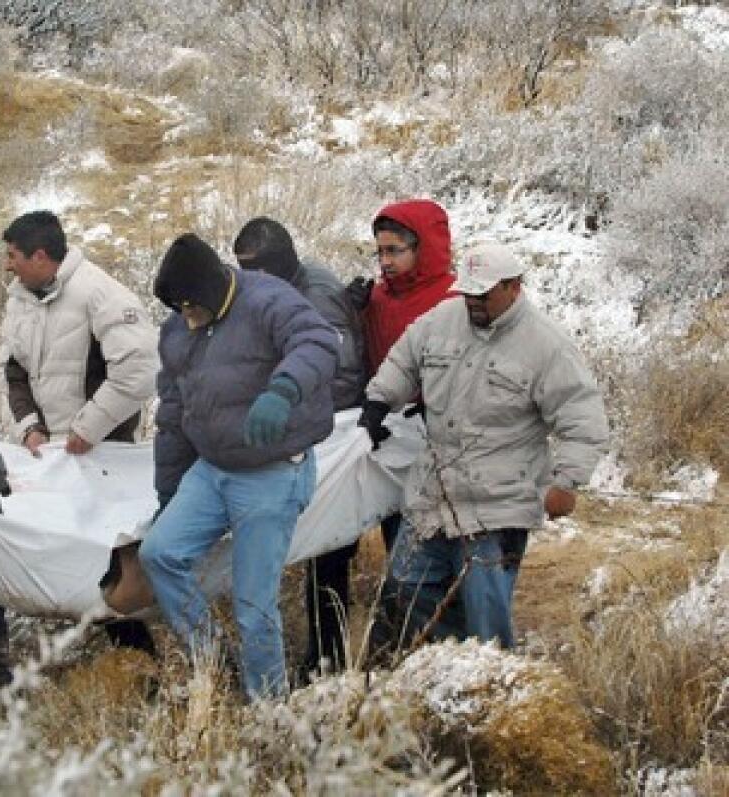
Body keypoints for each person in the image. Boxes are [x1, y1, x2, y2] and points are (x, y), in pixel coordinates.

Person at [360, 242, 610, 660]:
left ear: (513, 288)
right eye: (468, 293)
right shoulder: (441, 320)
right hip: (431, 496)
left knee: (486, 618)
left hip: (499, 505)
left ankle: (493, 697)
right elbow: (403, 362)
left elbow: (582, 419)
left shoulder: (547, 346)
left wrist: (567, 482)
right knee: (407, 590)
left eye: (483, 294)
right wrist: (379, 401)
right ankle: (439, 679)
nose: (473, 302)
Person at [140, 233, 339, 700]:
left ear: (210, 293)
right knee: (159, 553)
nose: (185, 320)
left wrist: (284, 389)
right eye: (178, 310)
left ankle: (269, 712)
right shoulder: (177, 328)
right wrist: (168, 493)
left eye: (191, 308)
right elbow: (173, 412)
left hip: (272, 472)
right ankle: (214, 660)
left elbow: (317, 342)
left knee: (254, 607)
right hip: (212, 469)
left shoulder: (270, 301)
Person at [0, 211, 160, 675]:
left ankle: (139, 661)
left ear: (40, 256)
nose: (7, 266)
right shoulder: (20, 298)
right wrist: (30, 425)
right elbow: (13, 368)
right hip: (48, 454)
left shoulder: (101, 295)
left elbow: (141, 370)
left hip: (99, 454)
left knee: (106, 563)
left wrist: (88, 428)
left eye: (13, 256)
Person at [233, 217, 366, 679]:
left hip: (332, 436)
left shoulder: (318, 296)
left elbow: (343, 377)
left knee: (328, 550)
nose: (251, 280)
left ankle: (329, 658)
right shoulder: (269, 292)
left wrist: (288, 413)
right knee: (311, 547)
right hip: (299, 431)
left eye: (258, 270)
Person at [352, 199, 456, 551]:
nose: (385, 262)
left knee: (431, 525)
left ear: (422, 247)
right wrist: (351, 314)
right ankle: (399, 599)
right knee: (394, 519)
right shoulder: (379, 297)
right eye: (379, 252)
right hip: (387, 424)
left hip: (439, 431)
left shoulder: (453, 299)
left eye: (394, 251)